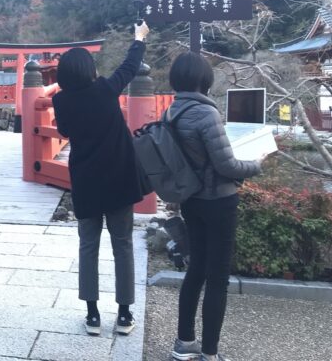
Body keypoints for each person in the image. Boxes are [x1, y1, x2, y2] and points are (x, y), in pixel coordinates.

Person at [52, 20, 149, 336]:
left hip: (87, 182)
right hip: (119, 180)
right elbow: (130, 66)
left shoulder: (61, 101)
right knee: (122, 245)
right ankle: (123, 315)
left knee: (88, 246)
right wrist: (138, 38)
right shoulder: (106, 89)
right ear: (90, 69)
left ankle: (92, 315)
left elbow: (65, 132)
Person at [167, 52, 264, 361]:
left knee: (196, 269)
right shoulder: (206, 114)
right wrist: (257, 163)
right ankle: (210, 353)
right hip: (219, 202)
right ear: (204, 80)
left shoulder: (172, 112)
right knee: (218, 277)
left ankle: (184, 344)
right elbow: (228, 165)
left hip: (191, 200)